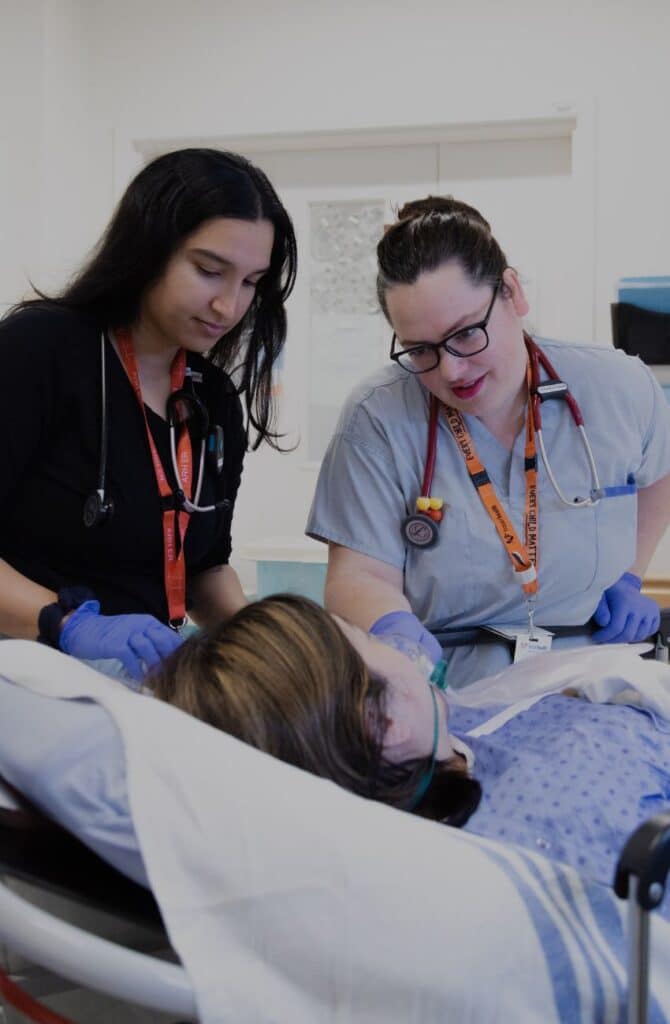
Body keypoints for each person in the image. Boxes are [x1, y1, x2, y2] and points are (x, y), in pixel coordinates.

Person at [306, 196, 670, 689]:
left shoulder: (616, 387)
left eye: (466, 334)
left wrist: (630, 574)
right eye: (421, 350)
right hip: (449, 688)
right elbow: (357, 576)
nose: (452, 370)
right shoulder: (378, 417)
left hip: (589, 682)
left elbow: (660, 469)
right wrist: (394, 631)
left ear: (513, 293)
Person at [151, 592, 670, 906]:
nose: (398, 647)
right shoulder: (558, 823)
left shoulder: (448, 732)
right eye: (368, 637)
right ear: (387, 720)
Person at [0, 148, 297, 681]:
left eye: (251, 282)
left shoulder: (213, 399)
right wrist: (63, 622)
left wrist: (276, 644)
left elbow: (204, 569)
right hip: (24, 684)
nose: (229, 307)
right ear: (147, 251)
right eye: (210, 271)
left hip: (139, 691)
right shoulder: (41, 351)